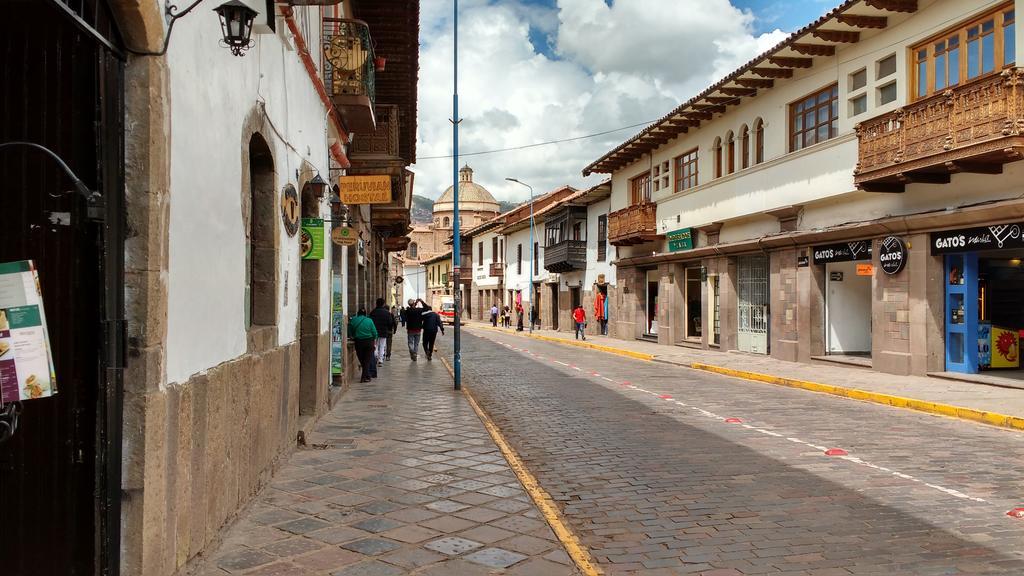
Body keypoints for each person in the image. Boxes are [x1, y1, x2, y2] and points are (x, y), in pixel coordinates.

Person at [347, 308, 378, 383]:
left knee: (362, 359)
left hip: (359, 342)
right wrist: (375, 340)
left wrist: (352, 336)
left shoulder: (353, 320)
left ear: (358, 313)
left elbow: (349, 331)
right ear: (365, 314)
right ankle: (365, 376)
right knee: (367, 360)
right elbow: (374, 333)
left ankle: (365, 376)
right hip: (369, 342)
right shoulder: (369, 320)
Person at [369, 298, 395, 369]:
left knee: (376, 345)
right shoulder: (387, 313)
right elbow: (390, 323)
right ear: (383, 304)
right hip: (384, 331)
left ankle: (376, 357)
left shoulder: (373, 312)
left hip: (375, 331)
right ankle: (380, 360)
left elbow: (370, 321)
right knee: (382, 345)